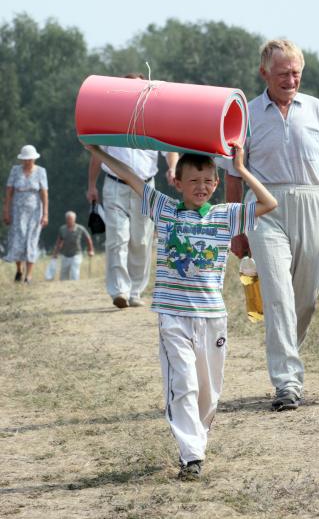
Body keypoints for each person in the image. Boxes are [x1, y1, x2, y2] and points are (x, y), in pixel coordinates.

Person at [84, 142, 277, 480]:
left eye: (207, 181)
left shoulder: (224, 214)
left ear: (216, 184)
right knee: (183, 384)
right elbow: (132, 178)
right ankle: (191, 457)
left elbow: (269, 203)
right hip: (172, 316)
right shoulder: (165, 209)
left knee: (209, 391)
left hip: (212, 317)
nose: (200, 187)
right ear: (177, 182)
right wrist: (98, 151)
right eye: (193, 181)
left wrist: (242, 169)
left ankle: (197, 441)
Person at [221, 39, 319, 412]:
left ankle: (286, 355)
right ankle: (287, 382)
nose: (290, 79)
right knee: (277, 295)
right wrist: (236, 227)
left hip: (312, 202)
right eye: (282, 73)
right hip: (263, 209)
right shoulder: (245, 113)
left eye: (296, 72)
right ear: (264, 73)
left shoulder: (317, 110)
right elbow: (233, 177)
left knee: (304, 299)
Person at [86, 73, 179, 309]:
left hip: (145, 186)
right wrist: (91, 185)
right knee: (117, 238)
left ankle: (136, 290)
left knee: (141, 240)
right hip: (114, 184)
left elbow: (169, 149)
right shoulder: (110, 118)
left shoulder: (155, 118)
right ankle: (120, 290)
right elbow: (97, 155)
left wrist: (172, 168)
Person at [2, 144, 49, 283]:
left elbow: (44, 193)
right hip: (17, 211)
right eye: (25, 159)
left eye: (30, 159)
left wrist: (45, 213)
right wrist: (6, 211)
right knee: (18, 240)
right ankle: (19, 269)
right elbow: (9, 192)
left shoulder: (41, 171)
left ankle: (29, 275)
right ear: (22, 160)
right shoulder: (15, 171)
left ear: (34, 159)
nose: (28, 161)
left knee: (32, 240)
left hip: (35, 211)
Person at [52, 211, 94, 280]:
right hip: (65, 255)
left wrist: (91, 250)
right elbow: (59, 241)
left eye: (71, 219)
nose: (69, 221)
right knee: (63, 276)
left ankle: (75, 287)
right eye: (68, 219)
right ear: (66, 219)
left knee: (75, 272)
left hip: (76, 254)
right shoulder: (62, 229)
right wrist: (55, 253)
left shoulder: (80, 228)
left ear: (74, 219)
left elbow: (88, 239)